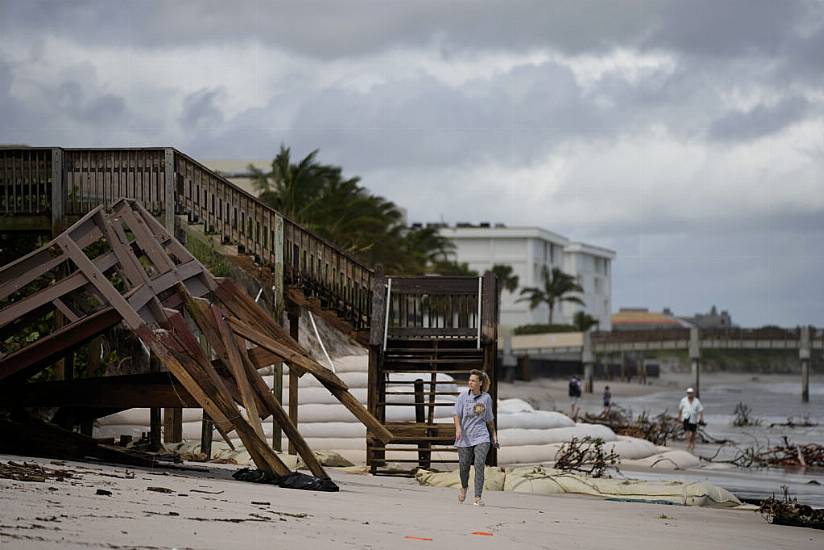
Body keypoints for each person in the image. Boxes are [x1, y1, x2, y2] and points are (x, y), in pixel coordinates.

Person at [454, 369, 497, 506]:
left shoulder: (486, 398)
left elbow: (489, 419)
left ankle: (477, 497)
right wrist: (458, 428)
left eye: (473, 381)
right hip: (465, 437)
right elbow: (457, 415)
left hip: (481, 436)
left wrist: (494, 436)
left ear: (480, 383)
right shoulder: (462, 397)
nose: (470, 383)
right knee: (463, 466)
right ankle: (464, 486)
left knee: (479, 464)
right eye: (469, 380)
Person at [677, 387, 704, 452]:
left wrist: (701, 418)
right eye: (688, 393)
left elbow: (701, 410)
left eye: (691, 393)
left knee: (693, 432)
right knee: (687, 431)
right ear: (687, 393)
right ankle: (688, 443)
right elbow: (680, 409)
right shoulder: (683, 400)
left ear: (693, 394)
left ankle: (692, 442)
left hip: (694, 419)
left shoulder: (697, 401)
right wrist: (679, 418)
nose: (690, 394)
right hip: (686, 417)